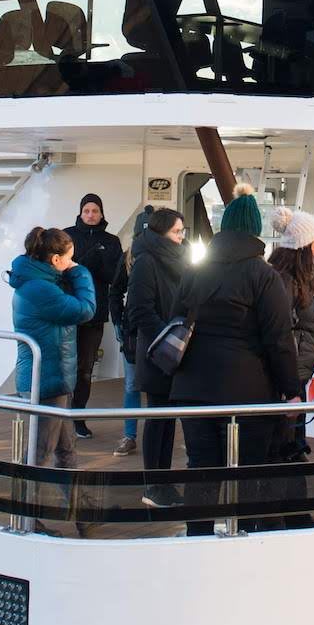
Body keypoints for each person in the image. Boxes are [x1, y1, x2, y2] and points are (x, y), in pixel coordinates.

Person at [169, 183, 302, 535]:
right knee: (247, 470)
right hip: (248, 391)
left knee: (202, 468)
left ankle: (197, 538)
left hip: (193, 387)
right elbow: (279, 340)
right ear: (255, 230)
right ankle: (242, 539)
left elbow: (176, 320)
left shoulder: (195, 270)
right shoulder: (263, 275)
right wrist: (291, 391)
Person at [8, 226, 96, 473]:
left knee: (65, 449)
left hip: (52, 379)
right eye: (70, 258)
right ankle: (26, 508)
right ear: (56, 259)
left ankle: (74, 506)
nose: (72, 263)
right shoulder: (40, 289)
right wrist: (80, 273)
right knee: (40, 452)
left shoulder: (42, 281)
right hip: (45, 380)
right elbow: (85, 309)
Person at [124, 207, 189, 506]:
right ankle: (154, 485)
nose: (182, 236)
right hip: (157, 352)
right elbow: (139, 309)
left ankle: (163, 483)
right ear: (162, 233)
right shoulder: (146, 262)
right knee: (157, 419)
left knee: (167, 419)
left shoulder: (179, 261)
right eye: (177, 231)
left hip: (174, 349)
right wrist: (168, 337)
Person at [268, 207, 314, 529]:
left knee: (289, 447)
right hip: (289, 380)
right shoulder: (287, 282)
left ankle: (293, 515)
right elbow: (286, 335)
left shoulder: (285, 278)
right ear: (304, 246)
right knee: (287, 448)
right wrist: (293, 382)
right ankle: (289, 517)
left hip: (292, 377)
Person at [65, 194, 123, 442]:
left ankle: (78, 417)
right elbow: (62, 270)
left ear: (101, 213)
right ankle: (58, 413)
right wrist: (88, 260)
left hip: (94, 313)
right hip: (68, 309)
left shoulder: (112, 241)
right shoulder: (67, 236)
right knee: (64, 364)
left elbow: (114, 276)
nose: (90, 215)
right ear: (80, 212)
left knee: (85, 368)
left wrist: (93, 262)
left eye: (95, 210)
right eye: (87, 210)